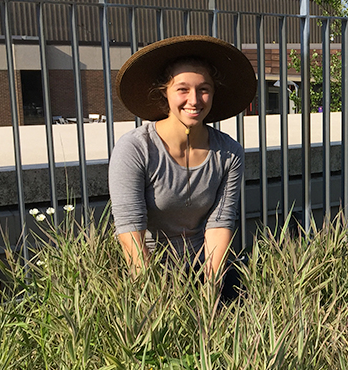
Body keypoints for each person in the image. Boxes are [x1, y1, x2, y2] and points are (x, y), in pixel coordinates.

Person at [109, 35, 256, 299]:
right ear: (164, 92)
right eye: (182, 89)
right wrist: (152, 293)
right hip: (151, 269)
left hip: (205, 265)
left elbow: (220, 222)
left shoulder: (229, 153)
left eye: (204, 89)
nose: (194, 99)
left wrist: (210, 286)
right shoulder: (135, 148)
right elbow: (130, 227)